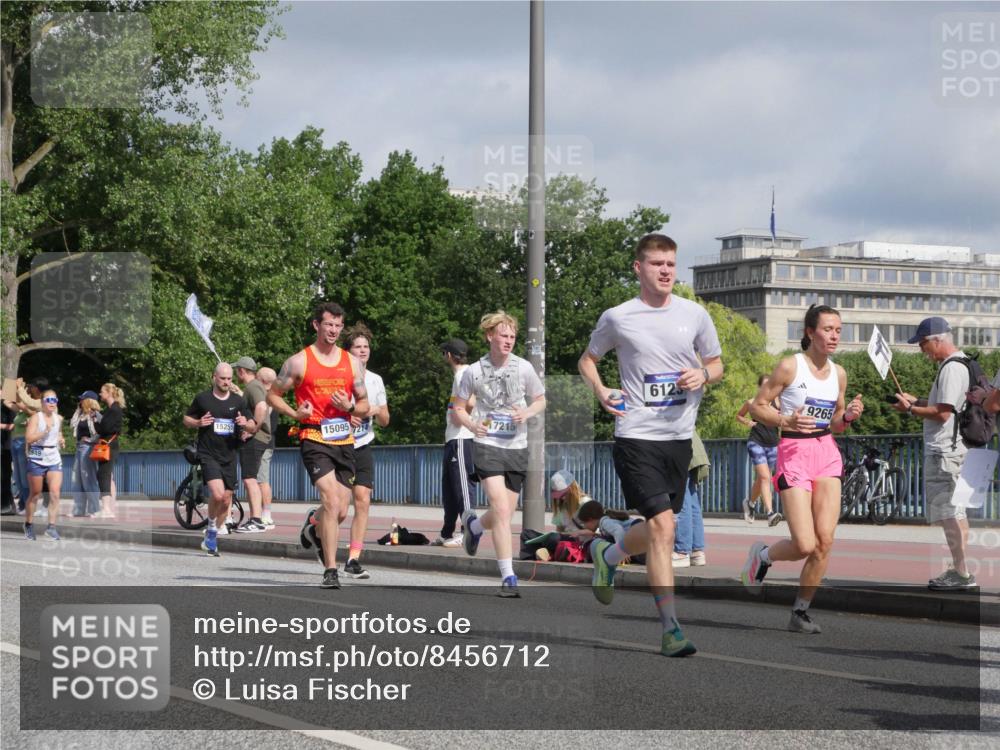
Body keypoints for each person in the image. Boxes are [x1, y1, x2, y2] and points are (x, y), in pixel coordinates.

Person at [578, 233, 723, 657]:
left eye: (671, 264)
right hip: (636, 436)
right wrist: (602, 390)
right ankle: (671, 628)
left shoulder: (694, 315)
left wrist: (703, 375)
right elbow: (588, 360)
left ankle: (608, 555)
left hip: (679, 438)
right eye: (657, 263)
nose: (665, 271)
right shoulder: (619, 317)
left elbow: (716, 364)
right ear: (638, 268)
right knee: (663, 527)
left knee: (663, 527)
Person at [742, 304, 864, 634]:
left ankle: (800, 612)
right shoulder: (789, 366)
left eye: (838, 330)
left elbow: (835, 423)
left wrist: (848, 416)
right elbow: (757, 407)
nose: (834, 336)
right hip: (794, 452)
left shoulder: (839, 374)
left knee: (825, 542)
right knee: (805, 544)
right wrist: (785, 419)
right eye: (827, 329)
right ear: (810, 332)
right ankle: (763, 555)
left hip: (826, 453)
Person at [268, 302, 370, 589]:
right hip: (313, 437)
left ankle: (313, 525)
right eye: (328, 324)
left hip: (344, 440)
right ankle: (330, 570)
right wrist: (294, 414)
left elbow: (365, 404)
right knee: (331, 501)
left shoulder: (352, 363)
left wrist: (351, 407)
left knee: (340, 511)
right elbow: (273, 394)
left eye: (338, 325)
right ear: (316, 325)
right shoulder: (298, 361)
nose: (334, 330)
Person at [455, 311, 546, 598]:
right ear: (489, 336)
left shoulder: (523, 368)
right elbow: (458, 408)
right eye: (503, 335)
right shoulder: (473, 371)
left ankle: (474, 526)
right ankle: (508, 576)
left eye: (512, 336)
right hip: (487, 444)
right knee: (502, 510)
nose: (508, 340)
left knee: (504, 511)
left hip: (517, 446)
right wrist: (472, 425)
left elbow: (541, 400)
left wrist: (526, 412)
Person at [890, 317, 976, 590]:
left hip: (944, 452)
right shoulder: (964, 362)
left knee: (947, 513)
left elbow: (942, 413)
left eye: (922, 344)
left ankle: (961, 573)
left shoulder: (951, 368)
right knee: (957, 512)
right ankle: (960, 570)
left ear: (937, 339)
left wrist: (910, 409)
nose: (921, 350)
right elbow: (948, 406)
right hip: (959, 449)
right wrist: (918, 401)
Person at [183, 364, 256, 556]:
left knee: (225, 499)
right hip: (208, 453)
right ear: (214, 377)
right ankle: (211, 527)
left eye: (229, 379)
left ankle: (211, 535)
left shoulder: (238, 401)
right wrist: (198, 422)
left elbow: (252, 425)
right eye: (223, 378)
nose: (226, 382)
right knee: (217, 494)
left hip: (229, 455)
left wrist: (246, 424)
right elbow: (186, 419)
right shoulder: (203, 399)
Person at [344, 323, 390, 579]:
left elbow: (385, 420)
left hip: (362, 445)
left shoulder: (375, 380)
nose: (363, 351)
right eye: (357, 347)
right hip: (339, 445)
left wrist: (375, 410)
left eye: (366, 347)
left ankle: (353, 558)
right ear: (348, 351)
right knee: (339, 507)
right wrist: (348, 414)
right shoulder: (339, 376)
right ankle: (314, 522)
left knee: (362, 499)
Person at [434, 338, 477, 547]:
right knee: (450, 489)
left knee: (462, 487)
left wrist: (460, 416)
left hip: (461, 438)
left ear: (449, 355)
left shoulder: (463, 375)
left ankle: (468, 531)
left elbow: (471, 401)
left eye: (444, 353)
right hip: (453, 438)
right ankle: (447, 532)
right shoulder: (463, 374)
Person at [737, 375, 783, 526]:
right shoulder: (751, 402)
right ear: (759, 387)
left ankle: (750, 503)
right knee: (764, 477)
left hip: (773, 444)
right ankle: (770, 513)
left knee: (763, 478)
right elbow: (739, 416)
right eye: (764, 385)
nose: (767, 388)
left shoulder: (778, 402)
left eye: (770, 385)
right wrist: (747, 422)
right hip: (756, 442)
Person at [233, 356, 268, 533]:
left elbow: (261, 407)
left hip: (255, 439)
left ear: (241, 371)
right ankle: (257, 518)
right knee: (252, 478)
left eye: (236, 371)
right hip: (258, 438)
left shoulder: (253, 386)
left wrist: (253, 427)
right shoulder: (253, 386)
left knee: (249, 479)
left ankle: (256, 519)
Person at [24, 389, 65, 540]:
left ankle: (51, 527)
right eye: (49, 400)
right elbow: (29, 438)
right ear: (42, 402)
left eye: (55, 400)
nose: (52, 403)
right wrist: (43, 433)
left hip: (53, 455)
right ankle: (29, 524)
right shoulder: (36, 418)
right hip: (37, 454)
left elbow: (58, 433)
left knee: (55, 493)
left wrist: (61, 439)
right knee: (35, 493)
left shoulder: (58, 418)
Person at [673, 431, 710, 568]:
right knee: (691, 498)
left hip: (679, 448)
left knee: (682, 500)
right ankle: (697, 551)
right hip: (693, 449)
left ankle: (682, 551)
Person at [12, 378, 45, 512]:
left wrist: (20, 388)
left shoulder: (41, 402)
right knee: (18, 476)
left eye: (31, 387)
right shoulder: (31, 403)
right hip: (18, 441)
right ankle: (24, 504)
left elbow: (28, 404)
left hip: (29, 443)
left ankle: (30, 505)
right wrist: (13, 391)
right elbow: (16, 403)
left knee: (28, 475)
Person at [94, 383, 125, 519]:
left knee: (104, 475)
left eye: (102, 391)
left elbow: (105, 428)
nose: (100, 394)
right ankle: (108, 507)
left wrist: (96, 421)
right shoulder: (111, 409)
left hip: (109, 445)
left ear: (109, 393)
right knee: (106, 475)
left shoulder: (114, 410)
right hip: (108, 444)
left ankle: (106, 508)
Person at [70, 391, 102, 517]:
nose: (80, 401)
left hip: (88, 447)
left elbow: (102, 430)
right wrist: (78, 410)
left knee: (88, 478)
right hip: (79, 447)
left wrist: (91, 440)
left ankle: (94, 509)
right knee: (76, 478)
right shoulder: (80, 414)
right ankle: (79, 509)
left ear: (89, 401)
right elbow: (72, 425)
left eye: (82, 399)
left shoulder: (95, 415)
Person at [255, 367, 278, 528]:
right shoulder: (273, 396)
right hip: (266, 443)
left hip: (264, 443)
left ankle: (266, 515)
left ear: (262, 381)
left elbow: (263, 415)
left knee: (262, 480)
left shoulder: (268, 397)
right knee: (261, 479)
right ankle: (263, 514)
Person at [1, 399, 14, 514]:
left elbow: (14, 425)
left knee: (4, 477)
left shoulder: (7, 406)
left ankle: (6, 504)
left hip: (5, 447)